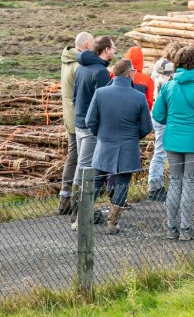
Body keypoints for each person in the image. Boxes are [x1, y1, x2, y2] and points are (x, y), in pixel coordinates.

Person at [151, 46, 194, 242]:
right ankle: (185, 228)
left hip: (172, 141)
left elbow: (157, 115)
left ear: (177, 62)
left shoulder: (168, 87)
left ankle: (171, 227)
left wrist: (174, 121)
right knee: (189, 183)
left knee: (175, 183)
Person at [82, 57, 154, 235]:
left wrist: (102, 135)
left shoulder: (100, 93)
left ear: (114, 73)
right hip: (128, 148)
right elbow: (146, 126)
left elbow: (90, 121)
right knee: (122, 184)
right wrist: (132, 137)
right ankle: (112, 222)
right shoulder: (138, 97)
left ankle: (81, 219)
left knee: (96, 181)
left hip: (104, 145)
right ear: (130, 73)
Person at [66, 36, 113, 217]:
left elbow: (76, 96)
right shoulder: (100, 72)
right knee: (85, 167)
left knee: (82, 164)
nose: (115, 51)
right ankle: (80, 213)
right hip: (90, 127)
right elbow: (103, 103)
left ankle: (80, 209)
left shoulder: (82, 67)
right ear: (106, 50)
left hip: (79, 122)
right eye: (113, 48)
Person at [58, 31, 95, 215]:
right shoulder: (78, 65)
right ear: (87, 45)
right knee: (79, 158)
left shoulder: (67, 61)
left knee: (74, 156)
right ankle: (74, 201)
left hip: (70, 115)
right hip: (78, 117)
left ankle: (66, 199)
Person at [144, 53, 177, 200]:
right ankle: (155, 186)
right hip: (164, 113)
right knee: (161, 151)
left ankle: (157, 183)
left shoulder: (156, 68)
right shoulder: (169, 69)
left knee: (162, 150)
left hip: (157, 110)